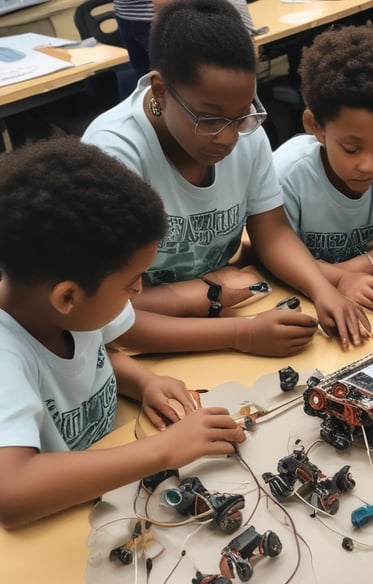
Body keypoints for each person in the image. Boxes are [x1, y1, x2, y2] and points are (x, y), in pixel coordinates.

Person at [83, 0, 368, 357]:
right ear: (160, 91)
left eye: (242, 115)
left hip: (220, 306)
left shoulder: (245, 133)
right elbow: (107, 318)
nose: (229, 138)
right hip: (145, 349)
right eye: (210, 120)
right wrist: (238, 332)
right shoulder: (114, 154)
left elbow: (273, 233)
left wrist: (323, 289)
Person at [0, 137, 246, 528]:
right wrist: (163, 450)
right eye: (131, 281)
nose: (139, 291)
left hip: (111, 483)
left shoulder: (68, 311)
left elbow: (88, 362)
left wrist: (142, 380)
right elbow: (12, 493)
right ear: (67, 297)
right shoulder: (6, 356)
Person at [273, 25, 373, 314]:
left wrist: (351, 271)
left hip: (355, 291)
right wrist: (340, 279)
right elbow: (270, 255)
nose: (369, 165)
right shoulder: (287, 172)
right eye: (351, 149)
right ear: (316, 126)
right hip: (304, 298)